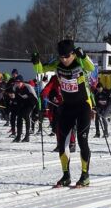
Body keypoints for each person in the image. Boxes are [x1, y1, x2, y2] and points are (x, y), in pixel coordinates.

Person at [32, 39, 95, 187]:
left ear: (73, 53)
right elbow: (40, 70)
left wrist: (84, 55)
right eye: (62, 57)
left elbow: (91, 67)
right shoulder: (57, 63)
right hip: (67, 106)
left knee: (82, 140)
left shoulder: (80, 61)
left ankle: (85, 176)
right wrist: (36, 62)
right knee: (62, 142)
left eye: (67, 56)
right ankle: (66, 175)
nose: (64, 60)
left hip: (83, 105)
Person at [11, 75, 39, 142]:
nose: (17, 84)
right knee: (19, 118)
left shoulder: (28, 87)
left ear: (22, 82)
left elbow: (35, 99)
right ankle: (18, 136)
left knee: (26, 116)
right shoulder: (16, 88)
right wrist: (13, 99)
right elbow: (17, 99)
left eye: (19, 82)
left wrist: (36, 112)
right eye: (16, 82)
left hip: (31, 104)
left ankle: (27, 136)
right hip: (23, 104)